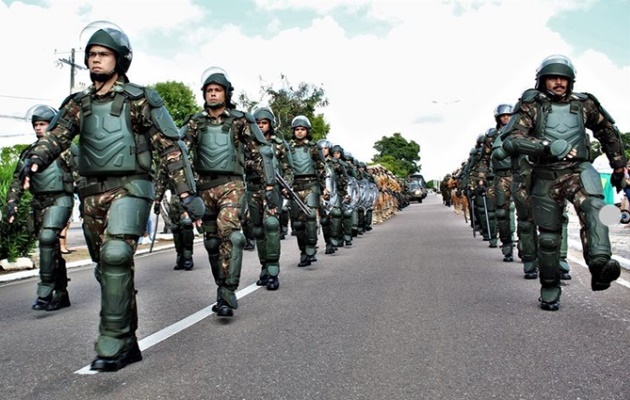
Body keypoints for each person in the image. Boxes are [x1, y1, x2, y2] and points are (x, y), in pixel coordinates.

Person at [18, 22, 204, 371]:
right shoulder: (79, 104)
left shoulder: (140, 99)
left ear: (120, 59)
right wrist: (35, 158)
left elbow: (171, 147)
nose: (95, 60)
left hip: (131, 187)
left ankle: (113, 340)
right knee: (107, 269)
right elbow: (56, 138)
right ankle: (128, 340)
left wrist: (187, 193)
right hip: (91, 195)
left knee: (117, 254)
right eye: (91, 55)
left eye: (103, 54)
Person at [502, 54, 627, 311]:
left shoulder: (584, 104)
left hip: (577, 169)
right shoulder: (531, 105)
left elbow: (607, 131)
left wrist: (618, 166)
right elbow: (512, 139)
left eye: (563, 78)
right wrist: (546, 146)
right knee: (548, 238)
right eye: (553, 78)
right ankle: (549, 286)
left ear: (571, 80)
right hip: (545, 173)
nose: (559, 83)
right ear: (542, 81)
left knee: (596, 207)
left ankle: (599, 264)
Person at [180, 67, 277, 314]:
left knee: (231, 235)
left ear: (227, 93)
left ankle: (228, 293)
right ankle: (221, 287)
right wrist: (183, 190)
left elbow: (261, 151)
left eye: (217, 90)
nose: (213, 94)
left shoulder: (240, 120)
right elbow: (179, 151)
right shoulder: (195, 122)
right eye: (209, 90)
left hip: (232, 186)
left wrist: (269, 186)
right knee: (212, 243)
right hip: (203, 188)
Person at [6, 105, 75, 312]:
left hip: (60, 199)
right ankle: (61, 293)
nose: (38, 128)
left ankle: (45, 292)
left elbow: (84, 176)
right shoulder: (29, 152)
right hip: (38, 203)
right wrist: (12, 203)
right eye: (36, 124)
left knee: (47, 239)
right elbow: (18, 181)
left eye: (42, 124)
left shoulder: (66, 150)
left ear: (52, 124)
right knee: (50, 248)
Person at [249, 105, 294, 290]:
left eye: (264, 123)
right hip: (252, 189)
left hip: (273, 190)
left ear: (271, 124)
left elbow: (289, 169)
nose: (261, 126)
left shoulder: (279, 144)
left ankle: (274, 270)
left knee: (272, 225)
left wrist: (286, 186)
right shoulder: (247, 143)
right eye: (258, 123)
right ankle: (264, 267)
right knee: (258, 230)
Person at [287, 115, 327, 266]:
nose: (299, 132)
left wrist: (324, 188)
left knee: (310, 217)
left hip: (311, 185)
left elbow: (321, 168)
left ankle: (311, 247)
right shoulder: (288, 148)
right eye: (297, 129)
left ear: (307, 131)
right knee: (297, 224)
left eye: (302, 129)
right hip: (294, 186)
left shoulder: (314, 147)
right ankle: (303, 251)